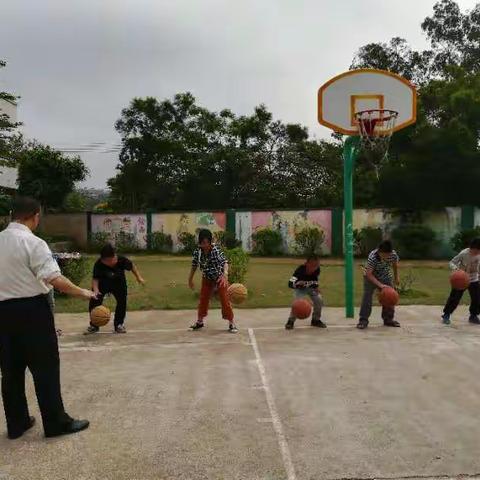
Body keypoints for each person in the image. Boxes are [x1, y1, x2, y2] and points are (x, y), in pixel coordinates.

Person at [0, 196, 94, 439]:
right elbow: (54, 279)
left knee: (10, 370)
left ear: (12, 215)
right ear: (35, 216)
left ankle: (17, 423)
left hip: (2, 314)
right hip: (32, 311)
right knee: (45, 369)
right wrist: (83, 292)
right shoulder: (33, 242)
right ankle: (55, 423)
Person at [84, 244, 145, 335]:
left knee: (122, 302)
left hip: (119, 284)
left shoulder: (121, 260)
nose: (107, 262)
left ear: (114, 256)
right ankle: (94, 325)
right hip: (102, 284)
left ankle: (119, 324)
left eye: (109, 260)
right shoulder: (99, 264)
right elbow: (95, 278)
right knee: (94, 300)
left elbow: (132, 266)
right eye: (105, 261)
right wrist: (96, 290)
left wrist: (138, 277)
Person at [188, 229, 237, 333]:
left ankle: (231, 323)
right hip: (207, 278)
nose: (204, 245)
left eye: (206, 243)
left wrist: (225, 275)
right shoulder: (198, 252)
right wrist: (190, 279)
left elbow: (225, 262)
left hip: (219, 278)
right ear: (200, 242)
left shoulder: (215, 250)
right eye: (202, 243)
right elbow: (194, 265)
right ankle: (200, 322)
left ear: (210, 242)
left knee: (225, 300)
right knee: (203, 300)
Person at [357, 240, 400, 330]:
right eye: (384, 255)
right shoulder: (373, 257)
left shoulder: (393, 255)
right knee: (367, 297)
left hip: (386, 276)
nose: (386, 257)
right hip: (370, 277)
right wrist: (380, 285)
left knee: (390, 296)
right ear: (379, 251)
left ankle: (388, 319)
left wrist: (396, 278)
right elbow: (369, 274)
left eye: (387, 255)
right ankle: (363, 320)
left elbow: (395, 265)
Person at [441, 238, 480, 325]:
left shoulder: (479, 254)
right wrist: (457, 270)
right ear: (472, 248)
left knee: (477, 298)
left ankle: (473, 316)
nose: (478, 253)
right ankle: (446, 315)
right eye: (477, 250)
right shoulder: (464, 253)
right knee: (455, 298)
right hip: (461, 278)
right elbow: (452, 262)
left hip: (473, 278)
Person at [285, 255, 326, 330]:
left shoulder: (317, 270)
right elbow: (290, 283)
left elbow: (314, 280)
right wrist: (297, 284)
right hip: (300, 289)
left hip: (311, 288)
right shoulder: (300, 270)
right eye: (313, 266)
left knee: (319, 300)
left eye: (317, 266)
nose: (315, 268)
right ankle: (290, 321)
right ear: (307, 264)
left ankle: (315, 320)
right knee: (297, 303)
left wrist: (316, 287)